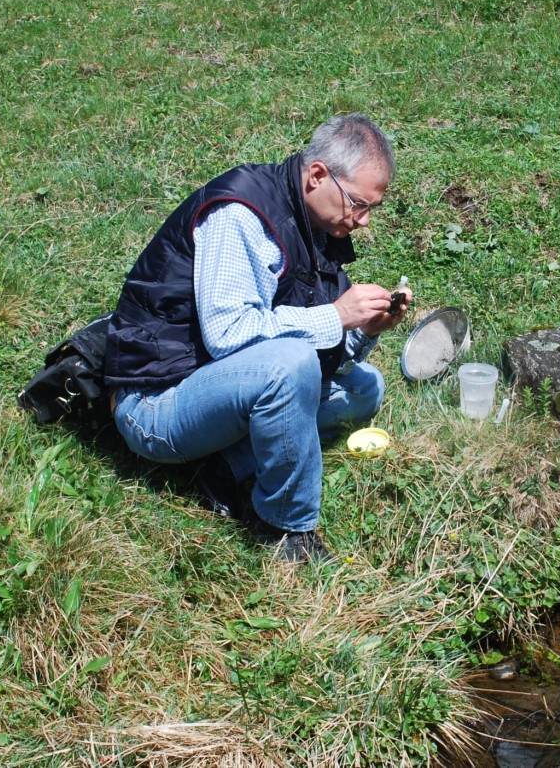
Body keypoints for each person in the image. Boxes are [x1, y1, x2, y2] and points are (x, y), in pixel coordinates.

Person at [103, 113, 409, 564]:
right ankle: (284, 529)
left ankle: (224, 468)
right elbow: (230, 336)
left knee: (366, 387)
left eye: (371, 210)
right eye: (358, 205)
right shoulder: (241, 214)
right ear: (317, 175)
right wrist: (336, 314)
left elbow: (317, 346)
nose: (363, 221)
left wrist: (362, 331)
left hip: (222, 385)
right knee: (290, 364)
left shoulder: (318, 222)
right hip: (156, 402)